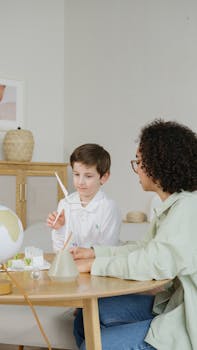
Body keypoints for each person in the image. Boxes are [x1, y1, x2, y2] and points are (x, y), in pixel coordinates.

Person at [71, 119, 197, 350]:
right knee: (87, 313)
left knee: (94, 345)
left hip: (187, 322)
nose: (136, 169)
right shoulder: (172, 206)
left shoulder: (188, 209)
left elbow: (153, 263)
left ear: (158, 165)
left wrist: (95, 265)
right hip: (171, 305)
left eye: (139, 162)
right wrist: (94, 253)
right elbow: (143, 248)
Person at [47, 143, 121, 252]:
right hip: (71, 265)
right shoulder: (65, 204)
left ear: (104, 177)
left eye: (88, 176)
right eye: (76, 174)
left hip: (97, 266)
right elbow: (58, 251)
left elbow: (106, 251)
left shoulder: (108, 208)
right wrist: (59, 228)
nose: (80, 182)